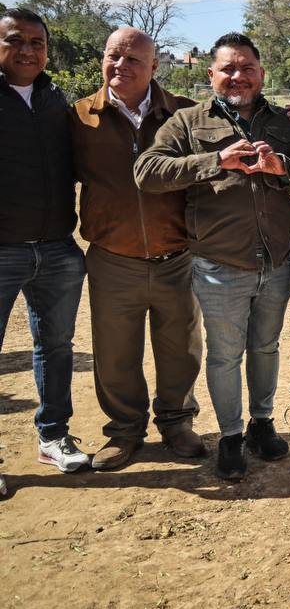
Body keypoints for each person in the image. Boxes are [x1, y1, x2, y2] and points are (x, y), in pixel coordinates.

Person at [135, 32, 290, 481]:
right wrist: (217, 161)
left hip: (276, 261)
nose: (238, 77)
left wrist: (283, 168)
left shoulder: (286, 123)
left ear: (261, 73)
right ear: (211, 74)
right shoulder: (188, 122)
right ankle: (231, 435)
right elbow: (147, 172)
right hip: (218, 265)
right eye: (228, 69)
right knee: (224, 355)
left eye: (247, 68)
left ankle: (261, 423)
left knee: (267, 347)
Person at [69, 27, 205, 470]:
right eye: (112, 56)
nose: (119, 66)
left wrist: (284, 121)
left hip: (176, 257)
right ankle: (125, 431)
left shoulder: (183, 114)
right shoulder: (79, 118)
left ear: (154, 67)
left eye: (132, 60)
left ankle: (177, 423)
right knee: (114, 354)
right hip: (112, 259)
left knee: (181, 348)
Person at [0, 8, 89, 474]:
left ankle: (53, 435)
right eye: (16, 40)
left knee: (55, 347)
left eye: (38, 42)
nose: (28, 50)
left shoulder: (57, 100)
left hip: (57, 248)